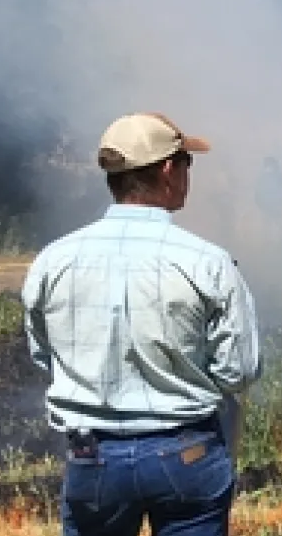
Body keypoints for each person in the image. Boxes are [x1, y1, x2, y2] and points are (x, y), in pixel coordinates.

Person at [21, 111, 262, 536]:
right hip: (188, 452)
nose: (188, 174)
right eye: (187, 163)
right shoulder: (208, 262)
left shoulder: (53, 260)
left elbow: (45, 357)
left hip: (93, 457)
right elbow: (238, 371)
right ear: (168, 170)